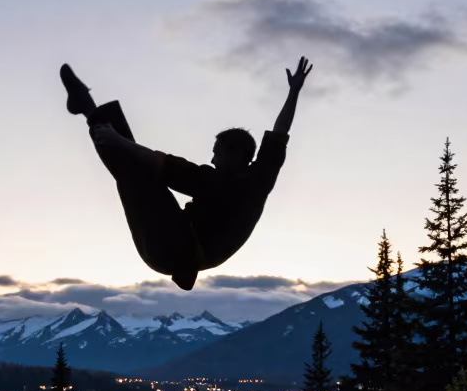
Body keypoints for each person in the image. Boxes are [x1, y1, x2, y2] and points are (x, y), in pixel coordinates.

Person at [59, 57, 313, 291]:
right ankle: (88, 109)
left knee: (140, 173)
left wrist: (119, 142)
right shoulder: (261, 176)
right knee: (137, 171)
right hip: (179, 240)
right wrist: (294, 92)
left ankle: (90, 111)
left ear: (235, 155)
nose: (212, 158)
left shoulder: (218, 183)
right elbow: (279, 133)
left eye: (217, 152)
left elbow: (167, 165)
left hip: (171, 250)